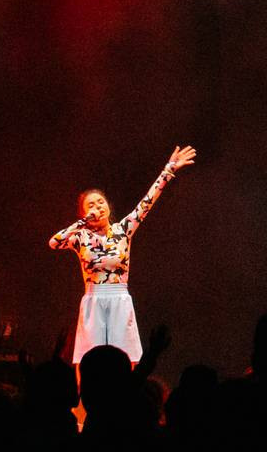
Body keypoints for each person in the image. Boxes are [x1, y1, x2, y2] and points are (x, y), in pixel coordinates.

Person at [48, 144, 197, 366]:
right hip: (93, 299)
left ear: (108, 206)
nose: (97, 207)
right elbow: (54, 242)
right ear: (84, 212)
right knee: (88, 361)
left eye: (100, 202)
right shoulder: (80, 237)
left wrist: (169, 169)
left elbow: (147, 202)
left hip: (119, 297)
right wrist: (82, 222)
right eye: (91, 205)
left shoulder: (123, 229)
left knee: (127, 360)